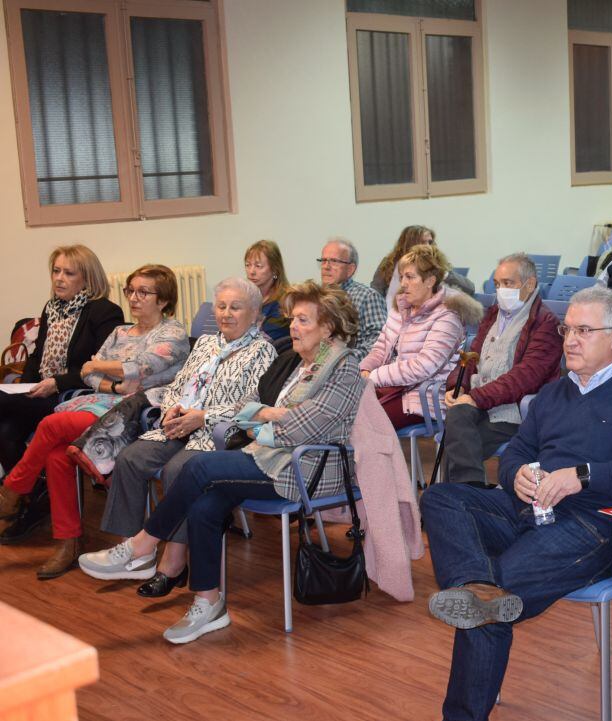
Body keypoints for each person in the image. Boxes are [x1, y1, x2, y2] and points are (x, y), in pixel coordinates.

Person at [421, 286, 612, 720]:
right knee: (442, 498)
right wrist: (516, 475)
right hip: (532, 507)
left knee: (495, 598)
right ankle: (474, 584)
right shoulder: (555, 394)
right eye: (567, 329)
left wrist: (583, 475)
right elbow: (518, 454)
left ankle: (464, 702)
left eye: (584, 330)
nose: (570, 340)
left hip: (597, 524)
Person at [80, 282, 363, 644]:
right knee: (205, 504)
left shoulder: (344, 368)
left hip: (303, 469)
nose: (292, 327)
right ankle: (208, 603)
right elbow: (247, 411)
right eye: (293, 319)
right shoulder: (296, 362)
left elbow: (298, 428)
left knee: (197, 467)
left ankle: (142, 545)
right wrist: (266, 416)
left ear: (329, 327)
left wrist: (264, 423)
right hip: (266, 457)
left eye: (303, 320)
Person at [80, 278, 276, 588]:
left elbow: (251, 408)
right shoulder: (207, 344)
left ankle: (174, 562)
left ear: (254, 312)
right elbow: (179, 384)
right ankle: (135, 554)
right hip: (178, 424)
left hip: (218, 434)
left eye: (235, 307)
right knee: (131, 458)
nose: (226, 313)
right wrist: (172, 408)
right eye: (221, 306)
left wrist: (202, 417)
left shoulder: (262, 351)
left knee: (177, 470)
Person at [0, 265, 188, 577]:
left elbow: (139, 368)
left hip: (135, 416)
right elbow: (90, 373)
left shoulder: (173, 333)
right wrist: (113, 381)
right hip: (101, 403)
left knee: (51, 426)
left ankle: (14, 489)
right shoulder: (119, 332)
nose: (134, 298)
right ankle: (68, 541)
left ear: (164, 300)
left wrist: (107, 370)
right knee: (56, 455)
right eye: (131, 290)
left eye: (144, 292)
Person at [0, 245, 123, 492]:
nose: (59, 278)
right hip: (42, 392)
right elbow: (37, 357)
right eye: (56, 271)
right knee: (5, 430)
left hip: (74, 395)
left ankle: (15, 493)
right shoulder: (52, 308)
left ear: (87, 279)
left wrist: (56, 383)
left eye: (69, 273)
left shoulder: (104, 311)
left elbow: (99, 370)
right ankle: (31, 495)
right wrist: (26, 386)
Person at [441, 254, 562, 485]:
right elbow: (470, 358)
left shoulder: (546, 323)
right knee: (457, 420)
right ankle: (470, 494)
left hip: (516, 410)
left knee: (457, 442)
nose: (501, 290)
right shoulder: (493, 314)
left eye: (508, 283)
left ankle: (465, 497)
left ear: (530, 284)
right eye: (497, 284)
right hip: (483, 401)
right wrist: (457, 388)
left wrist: (475, 398)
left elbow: (525, 378)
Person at [361, 244, 482, 429]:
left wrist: (375, 376)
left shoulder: (447, 315)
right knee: (344, 409)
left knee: (365, 423)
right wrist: (364, 370)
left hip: (423, 397)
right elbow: (380, 349)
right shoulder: (400, 307)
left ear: (430, 281)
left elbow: (425, 366)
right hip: (391, 386)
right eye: (402, 277)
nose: (403, 284)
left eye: (410, 277)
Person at [371, 225, 475, 312]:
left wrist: (443, 273)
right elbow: (375, 294)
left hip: (427, 318)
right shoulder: (390, 263)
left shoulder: (435, 263)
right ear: (409, 244)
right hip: (389, 317)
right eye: (422, 242)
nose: (428, 246)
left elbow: (470, 288)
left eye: (430, 242)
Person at [317, 236, 386, 355]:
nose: (326, 267)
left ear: (351, 269)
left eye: (334, 261)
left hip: (351, 368)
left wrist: (345, 360)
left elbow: (378, 342)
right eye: (323, 260)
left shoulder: (367, 297)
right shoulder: (315, 297)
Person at [244, 239, 290, 344]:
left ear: (275, 269)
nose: (251, 272)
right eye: (248, 265)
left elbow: (263, 342)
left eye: (258, 266)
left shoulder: (283, 304)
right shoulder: (245, 298)